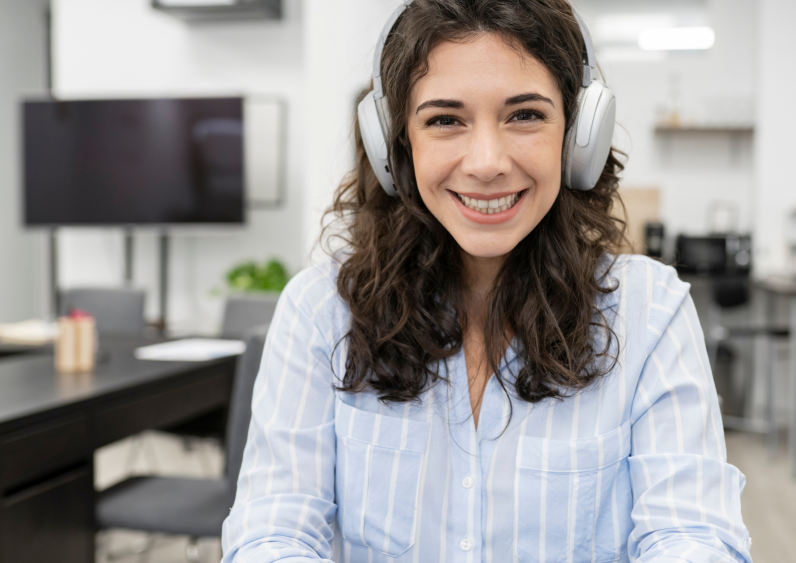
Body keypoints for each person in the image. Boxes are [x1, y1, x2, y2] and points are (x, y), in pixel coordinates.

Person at [222, 1, 752, 561]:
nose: (486, 162)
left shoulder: (649, 311)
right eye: (445, 120)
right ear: (395, 147)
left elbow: (691, 536)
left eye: (524, 115)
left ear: (578, 136)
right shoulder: (321, 311)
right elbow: (274, 530)